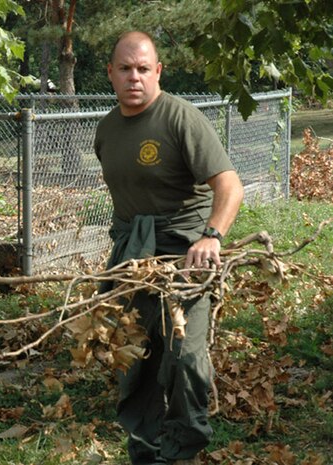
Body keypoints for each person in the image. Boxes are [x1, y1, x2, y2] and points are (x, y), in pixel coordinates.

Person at [94, 31, 244, 465]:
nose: (134, 78)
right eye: (125, 68)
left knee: (184, 358)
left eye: (143, 69)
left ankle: (182, 452)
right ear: (111, 73)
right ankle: (144, 450)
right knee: (136, 358)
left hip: (186, 257)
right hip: (132, 259)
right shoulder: (106, 130)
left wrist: (210, 236)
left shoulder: (181, 119)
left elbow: (229, 185)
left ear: (158, 71)